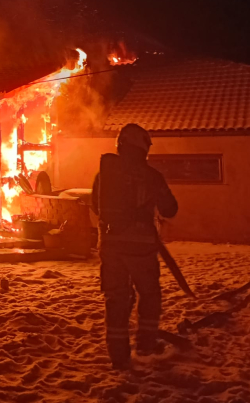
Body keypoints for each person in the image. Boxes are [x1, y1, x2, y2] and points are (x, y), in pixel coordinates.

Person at [91, 123, 178, 369]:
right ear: (142, 147)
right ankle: (146, 344)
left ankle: (118, 356)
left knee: (116, 298)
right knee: (149, 295)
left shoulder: (104, 175)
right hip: (141, 248)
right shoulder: (151, 176)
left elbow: (96, 207)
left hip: (110, 246)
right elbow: (170, 209)